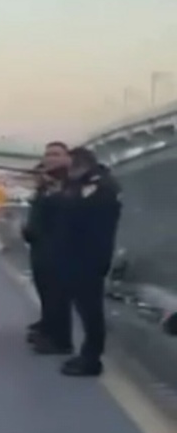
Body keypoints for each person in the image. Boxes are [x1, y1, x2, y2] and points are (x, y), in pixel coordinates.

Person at [43, 147, 121, 376]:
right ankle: (88, 353)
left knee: (91, 310)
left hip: (88, 258)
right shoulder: (85, 184)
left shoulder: (99, 185)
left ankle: (92, 358)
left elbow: (77, 210)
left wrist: (62, 192)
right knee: (84, 307)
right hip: (77, 257)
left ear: (79, 164)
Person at [25, 142, 71, 347]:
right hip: (40, 246)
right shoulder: (44, 187)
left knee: (57, 295)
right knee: (44, 290)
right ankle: (48, 328)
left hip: (58, 249)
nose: (50, 158)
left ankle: (59, 339)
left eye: (56, 154)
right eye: (47, 154)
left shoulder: (67, 184)